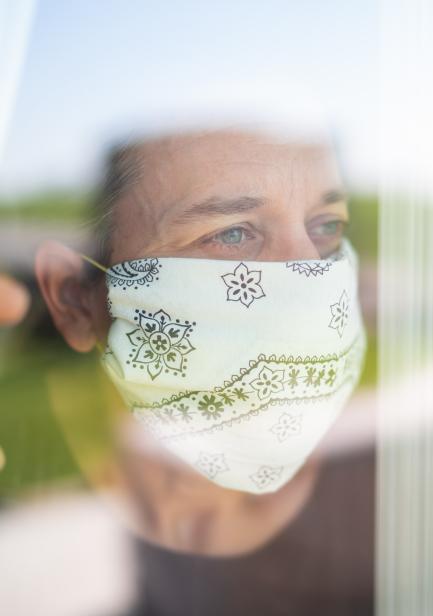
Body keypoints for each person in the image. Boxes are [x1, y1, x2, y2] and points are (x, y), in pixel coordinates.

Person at [34, 126, 375, 615]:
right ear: (75, 301)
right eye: (232, 233)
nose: (312, 274)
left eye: (324, 226)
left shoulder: (384, 511)